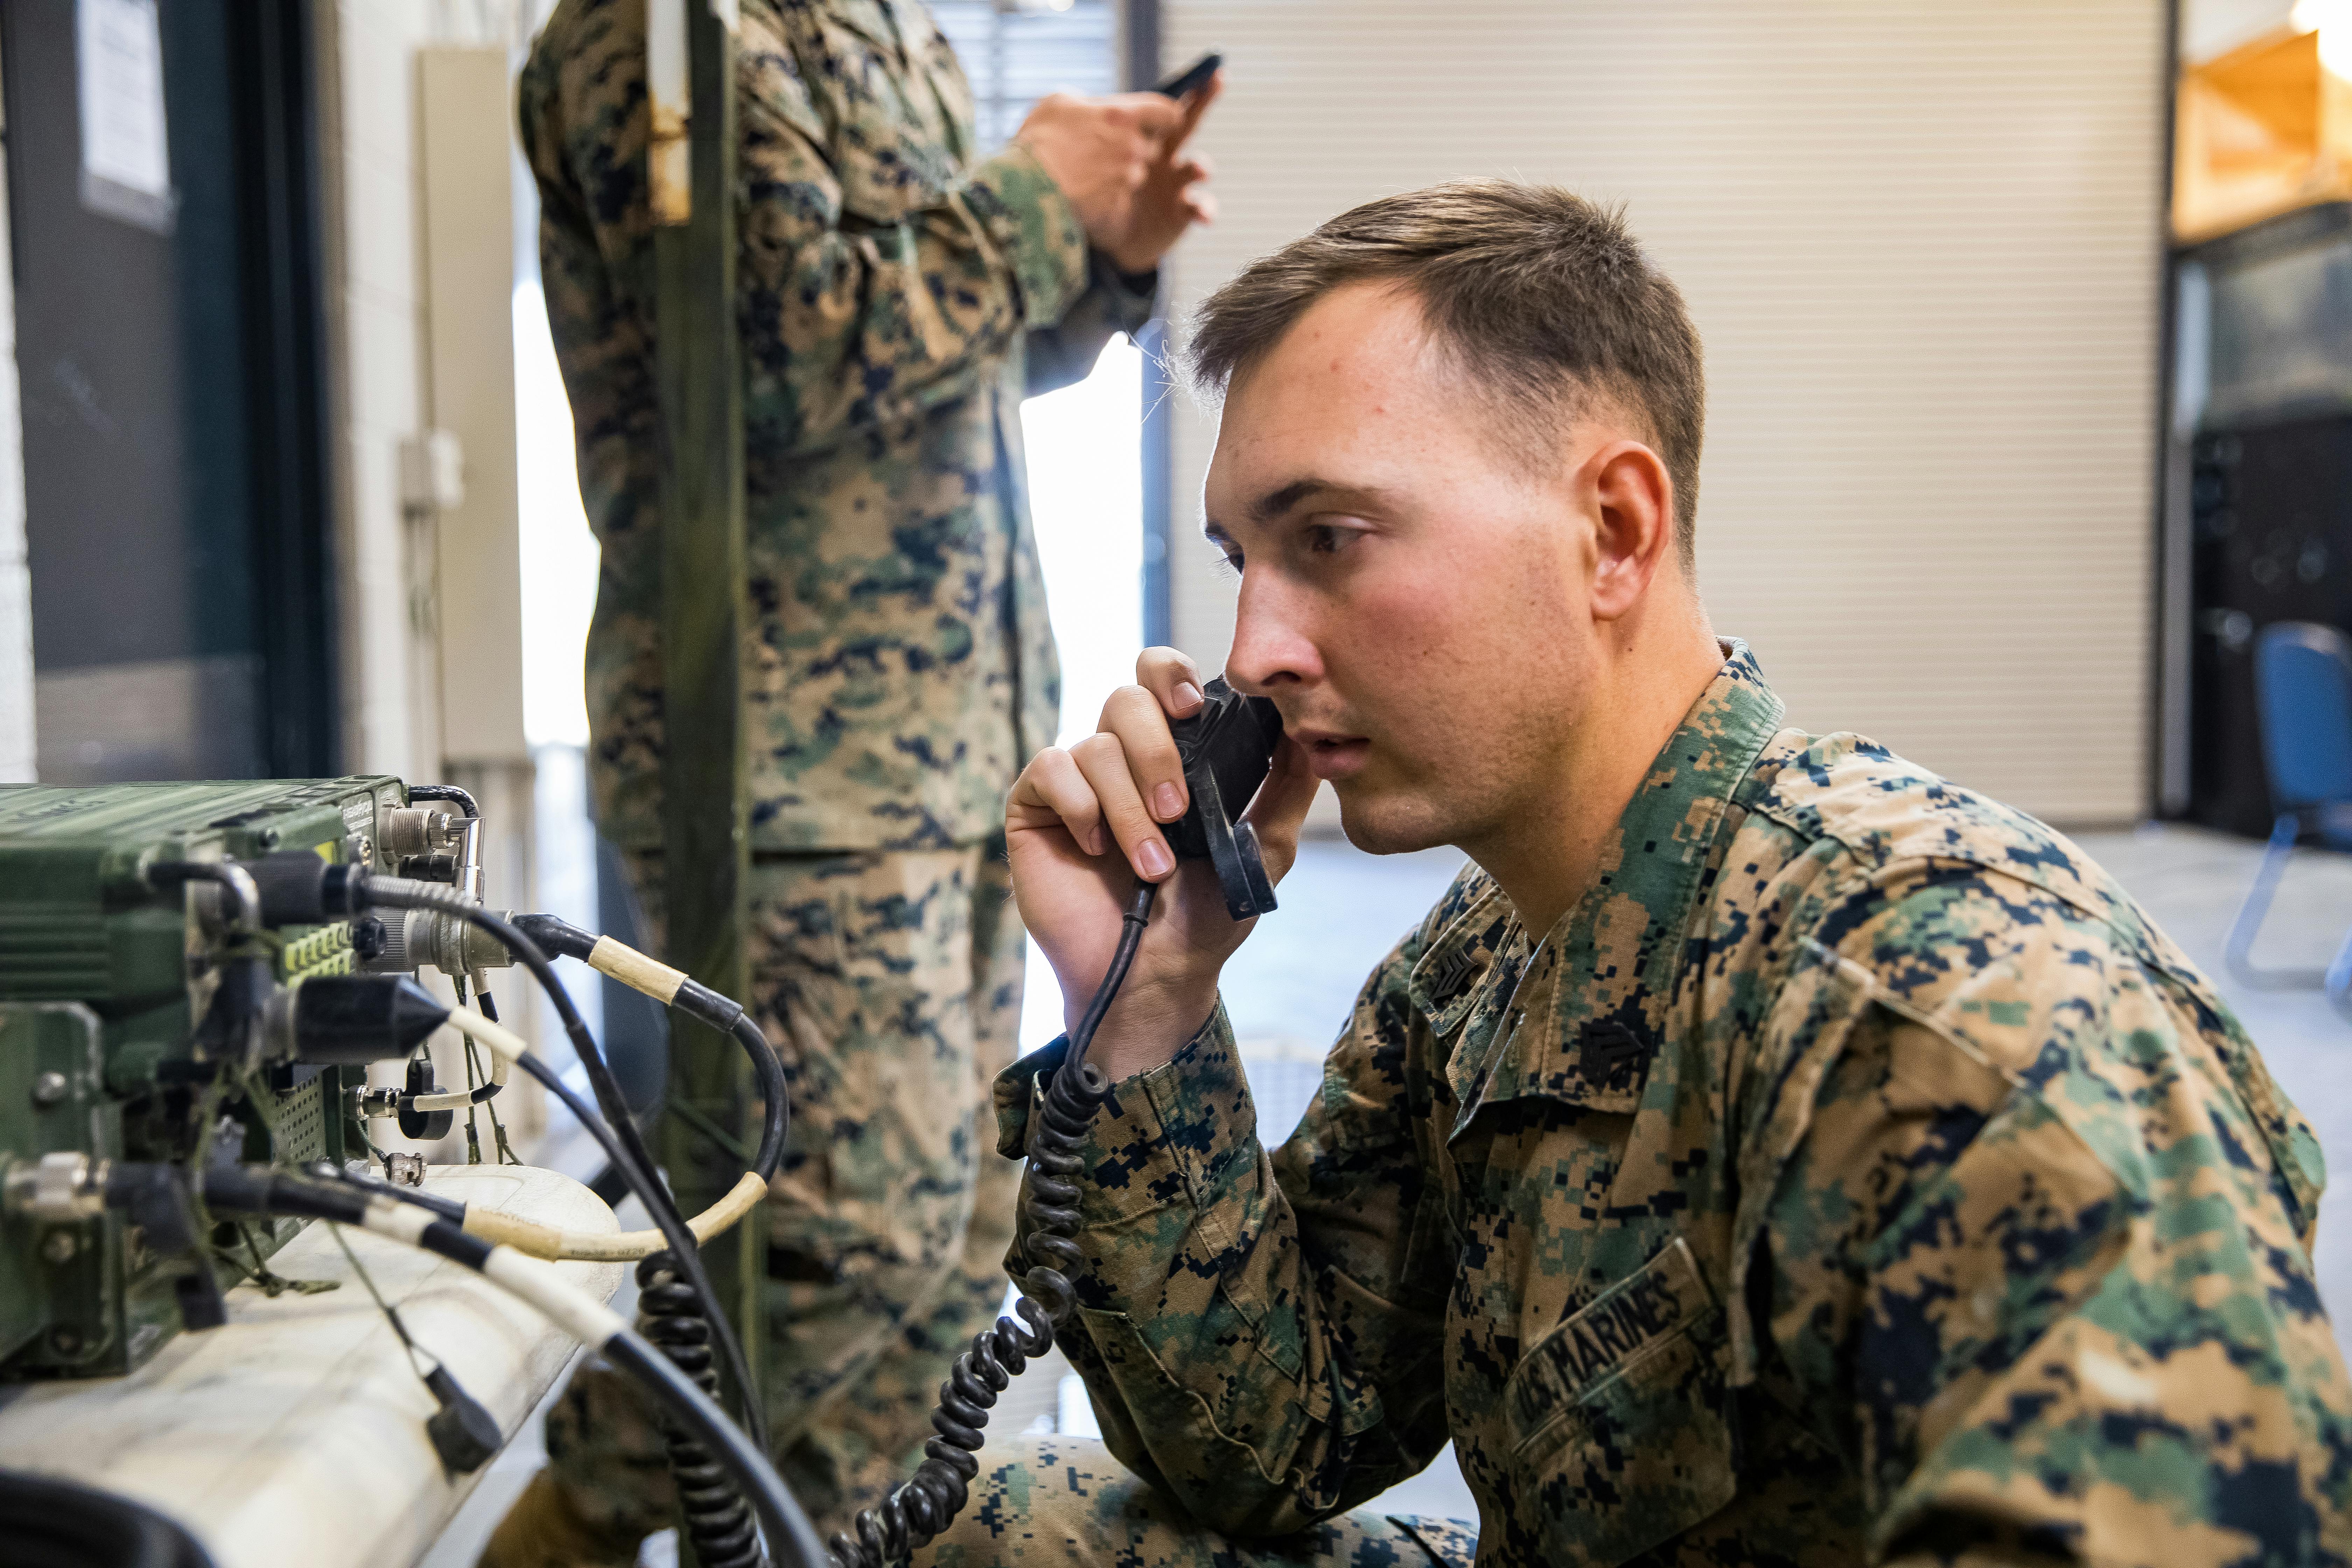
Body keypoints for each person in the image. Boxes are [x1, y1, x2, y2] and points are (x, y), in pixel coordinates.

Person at [915, 181, 2352, 1567]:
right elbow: (1281, 1440)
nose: (1253, 653)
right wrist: (1149, 1001)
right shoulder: (1486, 961)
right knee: (995, 1522)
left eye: (1331, 540)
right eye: (1247, 560)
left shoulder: (1944, 1008)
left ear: (1613, 531)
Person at [488, 1, 1219, 1562]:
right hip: (789, 775)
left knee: (940, 1251)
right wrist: (1034, 193)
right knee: (825, 1255)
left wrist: (1103, 257)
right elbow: (780, 353)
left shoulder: (878, 29)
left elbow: (953, 355)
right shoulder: (670, 29)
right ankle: (595, 1515)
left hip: (946, 750)